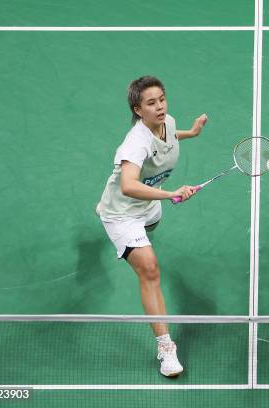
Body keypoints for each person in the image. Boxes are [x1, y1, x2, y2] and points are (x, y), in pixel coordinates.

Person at [96, 75, 207, 376]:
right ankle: (165, 347)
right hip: (122, 213)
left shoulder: (166, 121)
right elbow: (129, 186)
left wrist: (191, 133)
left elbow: (170, 135)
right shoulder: (135, 143)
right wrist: (171, 193)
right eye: (150, 103)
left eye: (162, 99)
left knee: (151, 231)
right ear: (137, 109)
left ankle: (135, 239)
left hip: (149, 206)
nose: (159, 107)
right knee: (150, 269)